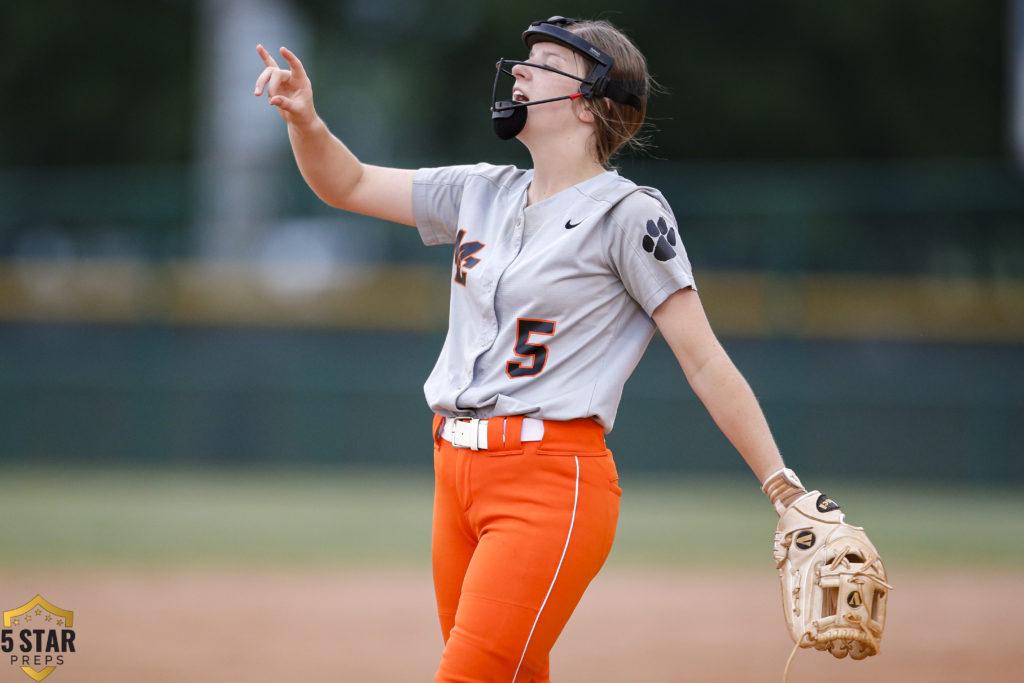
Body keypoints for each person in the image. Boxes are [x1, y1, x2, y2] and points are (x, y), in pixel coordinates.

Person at [255, 15, 809, 682]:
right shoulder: (480, 190)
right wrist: (306, 123)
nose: (519, 70)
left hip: (552, 479)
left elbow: (703, 357)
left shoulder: (629, 214)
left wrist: (783, 487)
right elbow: (345, 184)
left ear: (589, 103)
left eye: (544, 62)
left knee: (470, 674)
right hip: (455, 471)